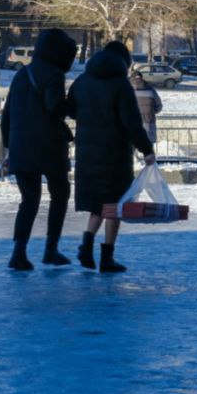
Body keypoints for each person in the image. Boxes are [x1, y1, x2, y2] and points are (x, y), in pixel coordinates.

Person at [67, 41, 156, 273]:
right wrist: (147, 149)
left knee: (99, 204)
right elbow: (132, 123)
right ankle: (107, 257)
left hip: (87, 152)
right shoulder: (120, 85)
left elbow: (70, 109)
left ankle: (86, 246)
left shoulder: (82, 81)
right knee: (115, 205)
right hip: (115, 153)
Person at [0, 29, 79, 271]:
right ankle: (50, 249)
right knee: (60, 195)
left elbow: (7, 116)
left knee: (29, 200)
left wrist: (10, 147)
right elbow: (55, 106)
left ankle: (19, 252)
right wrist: (72, 105)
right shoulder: (53, 74)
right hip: (48, 149)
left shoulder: (22, 74)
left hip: (22, 149)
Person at [129, 68, 163, 143]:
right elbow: (159, 106)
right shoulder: (151, 90)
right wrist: (150, 111)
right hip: (149, 125)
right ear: (142, 78)